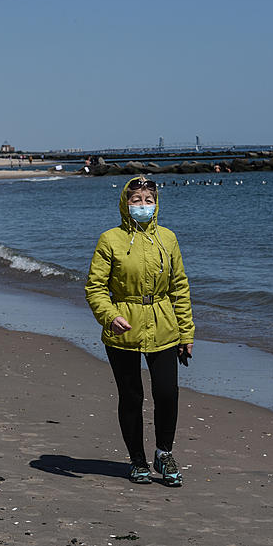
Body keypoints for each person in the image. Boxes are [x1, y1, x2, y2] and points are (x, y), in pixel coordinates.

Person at [85, 176, 194, 487]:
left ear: (156, 204)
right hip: (124, 329)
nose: (143, 206)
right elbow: (95, 288)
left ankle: (164, 453)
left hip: (163, 324)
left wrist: (186, 333)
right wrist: (110, 316)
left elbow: (180, 288)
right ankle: (137, 461)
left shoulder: (169, 238)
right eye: (136, 200)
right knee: (132, 396)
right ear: (125, 203)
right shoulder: (110, 240)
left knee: (167, 393)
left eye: (148, 200)